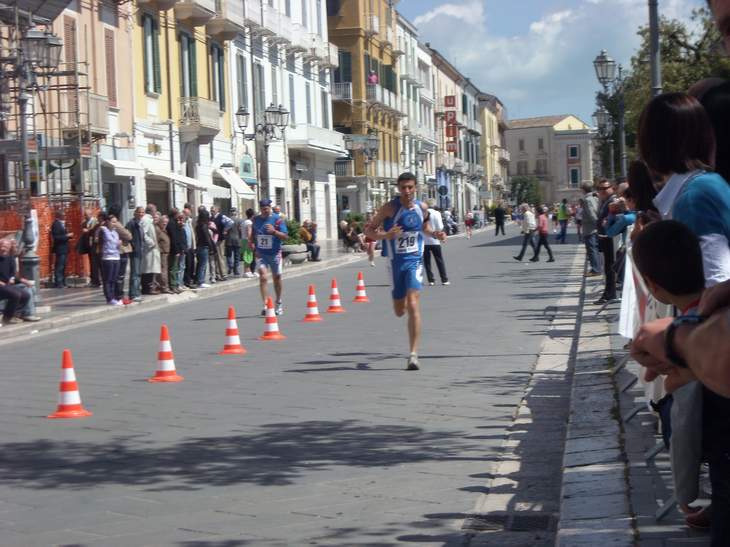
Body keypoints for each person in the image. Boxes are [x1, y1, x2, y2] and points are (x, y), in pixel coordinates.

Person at [631, 220, 713, 529]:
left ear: (651, 285)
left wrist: (685, 491)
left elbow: (685, 428)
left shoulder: (689, 337)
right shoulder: (712, 308)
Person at [364, 172, 445, 371]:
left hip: (414, 260)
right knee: (400, 311)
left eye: (410, 187)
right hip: (395, 262)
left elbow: (424, 225)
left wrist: (434, 233)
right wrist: (385, 235)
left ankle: (413, 355)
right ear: (398, 189)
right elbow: (368, 231)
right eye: (403, 188)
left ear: (415, 187)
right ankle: (405, 312)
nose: (407, 191)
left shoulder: (421, 207)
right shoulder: (390, 208)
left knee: (413, 303)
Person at [251, 199, 288, 315]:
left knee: (277, 278)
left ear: (270, 208)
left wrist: (274, 232)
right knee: (263, 277)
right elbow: (253, 235)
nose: (265, 211)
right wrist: (253, 246)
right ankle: (266, 304)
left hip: (275, 253)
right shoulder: (256, 220)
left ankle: (278, 302)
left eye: (267, 209)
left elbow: (285, 236)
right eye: (263, 209)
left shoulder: (277, 220)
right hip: (261, 254)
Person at [0, 238, 40, 323]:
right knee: (16, 294)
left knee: (26, 294)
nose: (4, 248)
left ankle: (19, 314)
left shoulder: (10, 258)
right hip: (1, 285)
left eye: (6, 246)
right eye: (2, 246)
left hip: (7, 285)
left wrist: (22, 280)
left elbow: (13, 275)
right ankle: (7, 317)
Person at [594, 179, 619, 304]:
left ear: (612, 188)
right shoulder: (604, 201)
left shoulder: (613, 200)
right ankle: (609, 293)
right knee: (607, 266)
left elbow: (614, 217)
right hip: (604, 237)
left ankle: (610, 294)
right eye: (600, 189)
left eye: (605, 188)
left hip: (610, 238)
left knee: (610, 267)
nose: (602, 191)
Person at [96, 212, 123, 306]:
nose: (114, 224)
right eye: (112, 222)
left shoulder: (115, 233)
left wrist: (119, 244)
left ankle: (114, 297)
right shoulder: (103, 230)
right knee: (108, 279)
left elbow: (117, 245)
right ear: (108, 222)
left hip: (116, 256)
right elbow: (97, 239)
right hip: (107, 257)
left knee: (114, 279)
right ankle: (109, 298)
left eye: (115, 222)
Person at [423, 199, 449, 286]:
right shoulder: (436, 213)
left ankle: (431, 280)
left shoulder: (423, 213)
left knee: (427, 262)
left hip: (424, 240)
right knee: (439, 260)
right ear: (434, 205)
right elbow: (440, 226)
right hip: (435, 240)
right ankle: (444, 279)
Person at [125, 207, 145, 302]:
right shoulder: (131, 224)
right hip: (135, 252)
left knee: (138, 273)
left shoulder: (139, 224)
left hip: (140, 251)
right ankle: (133, 294)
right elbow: (128, 236)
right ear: (135, 213)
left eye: (142, 212)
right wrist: (133, 246)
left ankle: (137, 292)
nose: (141, 214)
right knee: (135, 273)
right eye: (139, 212)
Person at [50, 209, 73, 288]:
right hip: (60, 249)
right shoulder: (56, 224)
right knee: (60, 266)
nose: (64, 216)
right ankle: (59, 282)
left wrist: (68, 236)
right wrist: (66, 236)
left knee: (63, 266)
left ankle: (63, 282)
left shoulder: (62, 224)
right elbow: (56, 237)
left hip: (64, 248)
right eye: (63, 215)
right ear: (59, 215)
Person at [141, 205, 161, 295]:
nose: (156, 213)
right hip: (148, 249)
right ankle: (147, 289)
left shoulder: (149, 220)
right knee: (147, 269)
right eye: (155, 211)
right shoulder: (146, 220)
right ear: (151, 211)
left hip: (152, 250)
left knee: (151, 269)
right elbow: (143, 233)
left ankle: (150, 287)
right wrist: (151, 242)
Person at [79, 208, 100, 287]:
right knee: (91, 262)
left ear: (91, 214)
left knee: (95, 263)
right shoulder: (84, 222)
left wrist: (87, 230)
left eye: (86, 215)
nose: (85, 216)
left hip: (94, 245)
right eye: (84, 215)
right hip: (88, 244)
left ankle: (96, 280)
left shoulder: (95, 221)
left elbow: (95, 231)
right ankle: (93, 280)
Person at [194, 209, 214, 289]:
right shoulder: (204, 226)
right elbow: (207, 237)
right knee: (203, 264)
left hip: (199, 245)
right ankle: (201, 281)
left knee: (199, 264)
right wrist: (211, 247)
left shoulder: (198, 225)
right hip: (204, 246)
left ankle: (199, 280)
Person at [155, 214, 172, 294]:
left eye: (166, 222)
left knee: (164, 270)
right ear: (160, 222)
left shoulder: (164, 230)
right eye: (163, 222)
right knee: (163, 271)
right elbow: (156, 242)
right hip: (162, 253)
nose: (165, 224)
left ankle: (163, 286)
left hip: (166, 253)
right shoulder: (158, 230)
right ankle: (164, 287)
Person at [226, 208, 244, 276]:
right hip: (237, 239)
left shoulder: (227, 220)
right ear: (236, 212)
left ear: (230, 213)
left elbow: (225, 230)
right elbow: (240, 230)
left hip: (229, 239)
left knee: (228, 255)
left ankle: (230, 266)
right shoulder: (240, 220)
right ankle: (235, 269)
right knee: (237, 255)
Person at [241, 208, 256, 277]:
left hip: (243, 240)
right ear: (253, 215)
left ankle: (248, 271)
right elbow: (249, 232)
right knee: (248, 256)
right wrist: (251, 241)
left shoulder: (244, 222)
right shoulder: (249, 222)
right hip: (248, 240)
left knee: (247, 255)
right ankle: (246, 271)